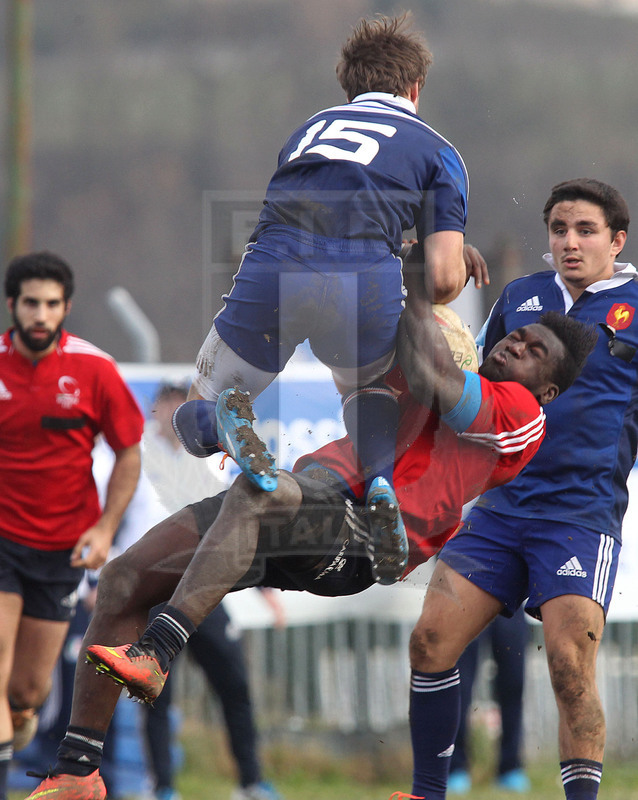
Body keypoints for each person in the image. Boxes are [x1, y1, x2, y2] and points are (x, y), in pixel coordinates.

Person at [21, 255, 598, 800]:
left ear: (547, 387)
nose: (514, 343)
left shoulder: (522, 417)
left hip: (362, 540)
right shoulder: (422, 374)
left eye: (532, 350)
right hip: (297, 507)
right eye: (515, 335)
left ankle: (160, 646)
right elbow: (384, 342)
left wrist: (429, 262)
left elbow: (440, 378)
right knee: (125, 576)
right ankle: (77, 768)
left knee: (259, 490)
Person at [172, 12, 483, 586]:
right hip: (364, 276)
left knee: (200, 400)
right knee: (365, 388)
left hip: (274, 262)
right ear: (415, 88)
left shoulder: (310, 128)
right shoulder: (438, 150)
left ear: (349, 87)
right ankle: (382, 480)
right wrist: (443, 264)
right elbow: (441, 279)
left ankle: (218, 421)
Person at [395, 178, 638, 800]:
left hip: (580, 515)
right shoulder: (522, 296)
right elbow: (479, 388)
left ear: (618, 239)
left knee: (569, 668)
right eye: (559, 230)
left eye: (585, 231)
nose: (570, 243)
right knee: (429, 641)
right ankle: (427, 793)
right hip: (501, 506)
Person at [0, 251, 144, 800]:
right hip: (1, 543)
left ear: (66, 308)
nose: (41, 314)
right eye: (31, 303)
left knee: (28, 691)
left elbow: (128, 453)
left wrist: (106, 529)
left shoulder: (94, 369)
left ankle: (19, 722)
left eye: (52, 305)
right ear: (13, 305)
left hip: (61, 549)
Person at [140, 383, 284, 800]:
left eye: (180, 407)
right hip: (156, 596)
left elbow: (234, 527)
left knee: (235, 686)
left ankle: (251, 781)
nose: (173, 415)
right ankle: (162, 786)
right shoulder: (138, 461)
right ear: (154, 412)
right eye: (167, 406)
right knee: (155, 692)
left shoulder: (207, 466)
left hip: (202, 594)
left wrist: (266, 589)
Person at [447, 608, 531, 794]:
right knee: (460, 684)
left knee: (513, 682)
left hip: (511, 598)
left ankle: (511, 767)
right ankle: (455, 767)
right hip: (469, 593)